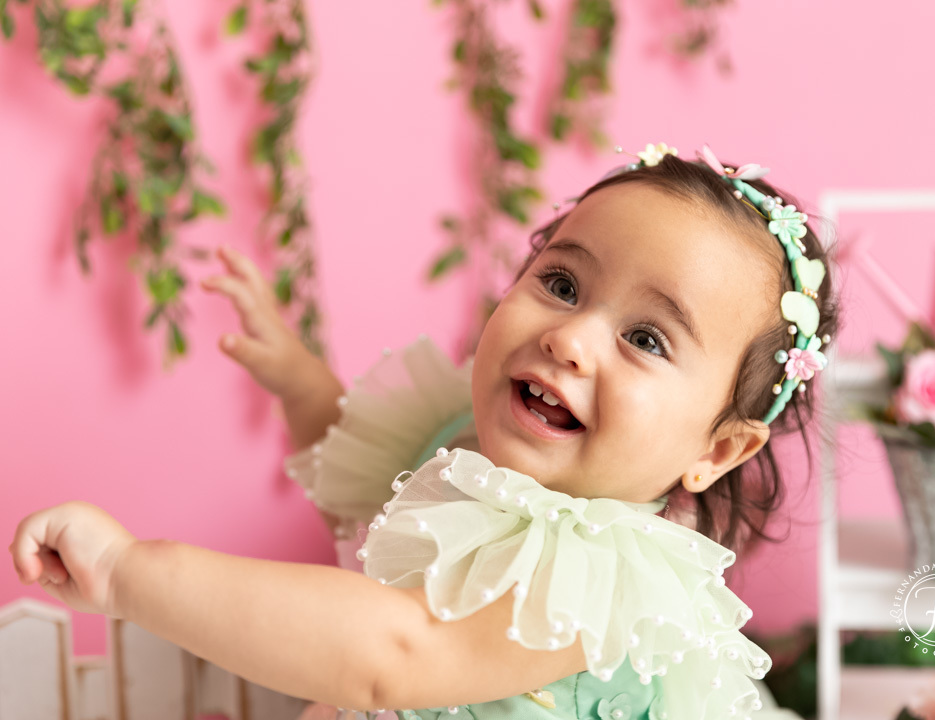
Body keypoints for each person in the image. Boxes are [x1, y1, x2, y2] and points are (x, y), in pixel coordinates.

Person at [9, 144, 838, 719]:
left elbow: (391, 654)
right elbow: (370, 489)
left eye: (646, 339)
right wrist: (301, 382)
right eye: (561, 283)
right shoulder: (466, 448)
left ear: (716, 451)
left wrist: (129, 573)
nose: (571, 339)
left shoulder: (600, 580)